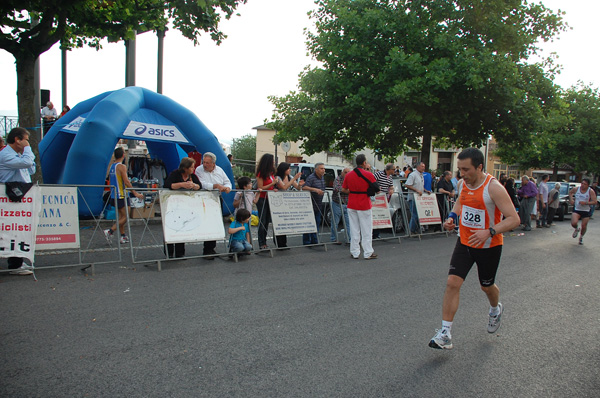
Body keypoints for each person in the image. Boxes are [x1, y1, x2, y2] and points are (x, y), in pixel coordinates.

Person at [429, 148, 520, 350]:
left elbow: (514, 219)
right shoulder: (463, 183)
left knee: (487, 287)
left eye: (466, 169)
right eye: (459, 169)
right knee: (452, 282)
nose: (462, 174)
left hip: (489, 246)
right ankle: (445, 333)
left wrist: (490, 231)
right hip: (465, 242)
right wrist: (452, 217)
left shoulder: (494, 188)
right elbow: (462, 201)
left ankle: (495, 309)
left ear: (479, 167)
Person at [0, 127, 36, 275]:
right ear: (17, 139)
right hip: (10, 197)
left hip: (19, 196)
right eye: (26, 139)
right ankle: (14, 265)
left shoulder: (16, 155)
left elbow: (31, 169)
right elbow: (28, 163)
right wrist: (27, 150)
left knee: (18, 230)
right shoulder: (5, 155)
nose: (27, 143)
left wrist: (24, 154)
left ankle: (18, 262)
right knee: (11, 231)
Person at [194, 152, 232, 259]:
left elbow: (227, 181)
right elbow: (201, 184)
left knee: (215, 223)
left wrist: (227, 187)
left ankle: (211, 247)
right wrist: (214, 185)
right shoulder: (199, 169)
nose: (205, 164)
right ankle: (206, 250)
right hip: (204, 198)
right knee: (207, 223)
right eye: (204, 162)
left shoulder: (219, 170)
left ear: (213, 163)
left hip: (216, 198)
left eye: (207, 163)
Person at [104, 147, 144, 244]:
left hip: (114, 195)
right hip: (121, 195)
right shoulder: (122, 167)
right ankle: (110, 231)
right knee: (126, 216)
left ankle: (123, 236)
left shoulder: (112, 166)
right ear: (123, 155)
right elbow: (126, 181)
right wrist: (135, 193)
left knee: (121, 216)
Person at [163, 157, 201, 258]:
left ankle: (180, 252)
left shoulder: (192, 176)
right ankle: (169, 252)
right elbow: (167, 184)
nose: (193, 169)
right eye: (191, 167)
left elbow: (199, 185)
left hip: (185, 205)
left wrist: (195, 186)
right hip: (172, 204)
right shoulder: (175, 174)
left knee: (182, 226)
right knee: (170, 226)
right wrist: (181, 184)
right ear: (185, 168)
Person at [341, 154, 377, 260]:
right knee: (366, 229)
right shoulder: (369, 174)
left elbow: (343, 189)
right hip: (364, 203)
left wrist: (351, 192)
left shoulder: (349, 175)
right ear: (364, 163)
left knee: (354, 229)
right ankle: (367, 252)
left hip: (352, 202)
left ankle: (355, 252)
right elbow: (376, 187)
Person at [274, 162, 303, 248]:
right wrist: (294, 178)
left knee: (285, 222)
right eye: (288, 168)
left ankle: (284, 243)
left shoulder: (289, 177)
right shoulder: (278, 177)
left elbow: (297, 187)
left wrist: (300, 185)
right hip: (278, 202)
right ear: (284, 169)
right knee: (279, 222)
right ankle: (278, 242)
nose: (290, 170)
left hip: (287, 203)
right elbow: (284, 187)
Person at [255, 154, 279, 250]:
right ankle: (262, 242)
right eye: (272, 160)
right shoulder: (261, 173)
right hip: (262, 198)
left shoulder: (271, 173)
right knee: (262, 221)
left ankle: (264, 241)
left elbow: (270, 186)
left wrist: (274, 188)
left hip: (270, 198)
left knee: (267, 221)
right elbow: (260, 187)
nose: (274, 162)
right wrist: (272, 184)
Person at [302, 163, 326, 245]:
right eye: (321, 168)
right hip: (310, 205)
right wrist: (315, 189)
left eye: (324, 168)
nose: (323, 170)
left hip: (318, 205)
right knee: (309, 223)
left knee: (317, 223)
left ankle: (315, 240)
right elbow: (304, 187)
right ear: (316, 170)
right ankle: (306, 241)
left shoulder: (322, 178)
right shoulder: (311, 177)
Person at [569, 178, 597, 245]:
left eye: (585, 184)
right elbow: (570, 192)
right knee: (573, 223)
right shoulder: (577, 189)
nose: (583, 185)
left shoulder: (590, 191)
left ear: (588, 185)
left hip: (586, 210)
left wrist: (586, 203)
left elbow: (595, 201)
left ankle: (581, 237)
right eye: (582, 183)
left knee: (584, 226)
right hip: (577, 209)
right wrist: (571, 199)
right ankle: (576, 229)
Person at [405, 162, 430, 235]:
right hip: (413, 198)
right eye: (422, 166)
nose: (423, 168)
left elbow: (419, 186)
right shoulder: (413, 175)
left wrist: (425, 190)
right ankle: (411, 230)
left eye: (424, 166)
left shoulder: (421, 175)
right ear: (418, 167)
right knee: (414, 215)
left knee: (418, 215)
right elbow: (407, 184)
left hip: (419, 199)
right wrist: (416, 190)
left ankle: (415, 229)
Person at [373, 163, 395, 239]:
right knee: (375, 215)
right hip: (376, 198)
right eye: (393, 169)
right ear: (389, 169)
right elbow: (372, 181)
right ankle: (373, 233)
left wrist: (392, 190)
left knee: (380, 215)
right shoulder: (379, 174)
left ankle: (377, 233)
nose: (395, 171)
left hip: (384, 198)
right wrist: (377, 189)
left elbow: (391, 186)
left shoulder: (390, 177)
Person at [330, 167, 352, 244]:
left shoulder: (351, 179)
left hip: (348, 203)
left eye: (349, 172)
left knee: (348, 223)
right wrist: (350, 190)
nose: (347, 174)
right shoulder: (338, 179)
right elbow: (338, 188)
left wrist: (347, 190)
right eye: (345, 172)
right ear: (342, 173)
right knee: (335, 222)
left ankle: (349, 239)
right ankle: (334, 239)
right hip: (337, 203)